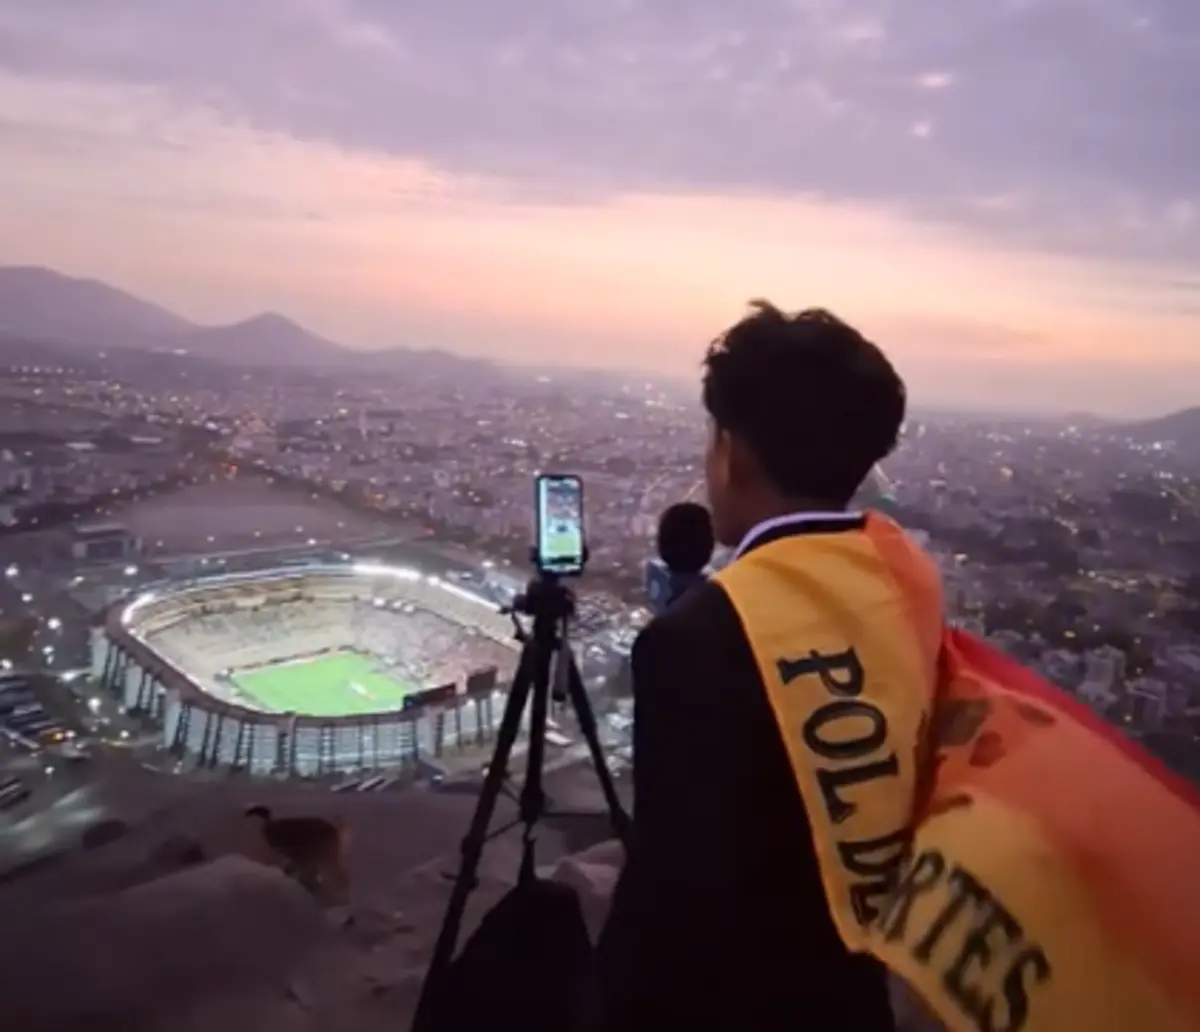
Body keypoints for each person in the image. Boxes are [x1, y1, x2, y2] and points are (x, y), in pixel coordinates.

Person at [597, 302, 936, 1032]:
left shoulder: (701, 637)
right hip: (854, 993)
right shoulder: (905, 585)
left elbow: (671, 899)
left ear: (731, 453)